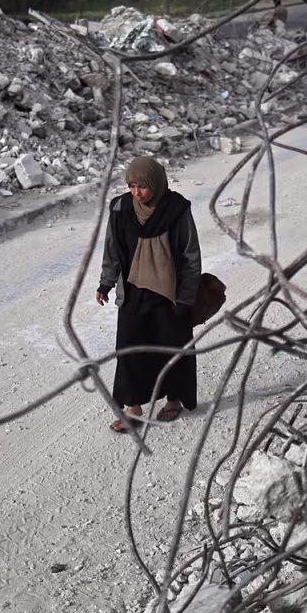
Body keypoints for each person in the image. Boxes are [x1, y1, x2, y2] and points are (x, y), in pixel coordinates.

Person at [96, 157, 202, 431]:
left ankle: (173, 399)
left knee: (171, 347)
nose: (136, 193)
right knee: (129, 349)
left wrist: (187, 297)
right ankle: (133, 408)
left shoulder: (176, 209)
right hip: (133, 293)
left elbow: (191, 256)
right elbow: (112, 251)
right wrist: (105, 284)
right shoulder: (120, 209)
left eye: (142, 187)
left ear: (155, 183)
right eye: (131, 186)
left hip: (169, 295)